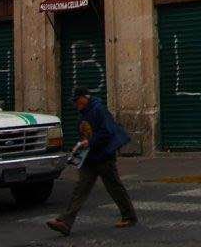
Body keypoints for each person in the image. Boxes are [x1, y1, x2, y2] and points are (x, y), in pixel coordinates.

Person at [47, 88, 137, 236]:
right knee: (80, 189)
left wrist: (89, 143)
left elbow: (106, 132)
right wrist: (79, 148)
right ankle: (65, 222)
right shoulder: (84, 112)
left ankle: (129, 216)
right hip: (89, 158)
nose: (76, 104)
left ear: (85, 98)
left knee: (114, 187)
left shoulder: (99, 110)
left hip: (103, 156)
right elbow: (85, 133)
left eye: (77, 101)